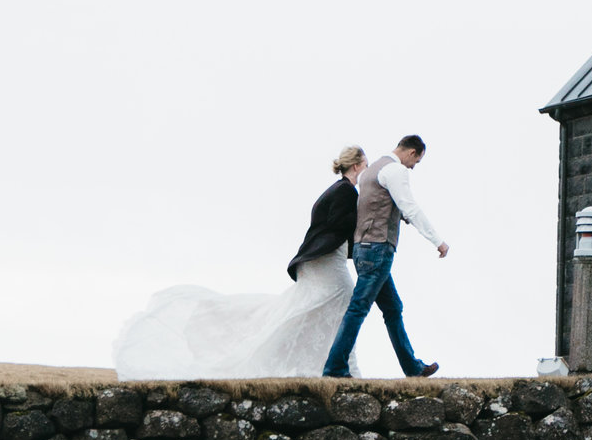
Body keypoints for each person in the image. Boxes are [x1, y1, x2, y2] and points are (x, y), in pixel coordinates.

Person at [111, 146, 372, 380]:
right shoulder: (346, 191)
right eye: (366, 165)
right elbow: (337, 224)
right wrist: (365, 220)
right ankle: (341, 365)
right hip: (326, 260)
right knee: (346, 302)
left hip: (322, 259)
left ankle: (336, 364)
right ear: (357, 165)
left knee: (320, 308)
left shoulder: (337, 190)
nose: (367, 170)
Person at [322, 134, 446, 379]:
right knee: (359, 308)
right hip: (378, 249)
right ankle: (334, 368)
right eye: (416, 162)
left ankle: (413, 368)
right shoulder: (396, 171)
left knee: (393, 308)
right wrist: (437, 241)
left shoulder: (371, 172)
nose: (413, 167)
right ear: (412, 152)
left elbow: (379, 205)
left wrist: (400, 216)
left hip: (362, 249)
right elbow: (409, 205)